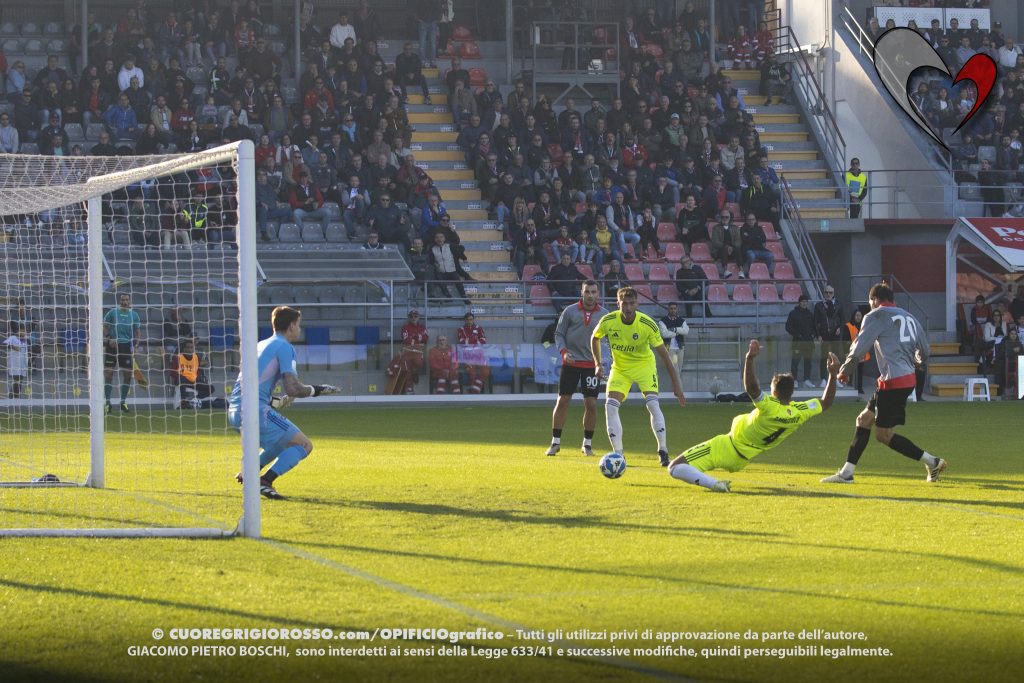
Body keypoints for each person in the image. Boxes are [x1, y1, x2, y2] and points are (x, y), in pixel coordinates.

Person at [668, 339, 838, 492]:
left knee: (675, 467)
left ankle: (714, 484)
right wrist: (832, 375)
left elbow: (752, 389)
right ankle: (711, 481)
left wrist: (749, 358)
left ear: (774, 392)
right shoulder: (799, 412)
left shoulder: (770, 406)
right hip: (742, 459)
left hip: (727, 446)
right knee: (688, 467)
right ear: (791, 392)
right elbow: (826, 402)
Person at [822, 282, 947, 484]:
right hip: (900, 379)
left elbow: (860, 346)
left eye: (870, 301)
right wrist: (914, 362)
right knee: (864, 420)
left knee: (883, 435)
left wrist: (845, 370)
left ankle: (933, 462)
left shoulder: (876, 315)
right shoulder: (910, 317)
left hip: (894, 381)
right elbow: (924, 351)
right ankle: (846, 473)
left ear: (874, 300)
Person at [228, 306, 340, 500]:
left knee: (282, 441)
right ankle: (265, 481)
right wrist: (317, 390)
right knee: (304, 445)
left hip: (235, 411)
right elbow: (292, 388)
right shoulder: (285, 347)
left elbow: (253, 383)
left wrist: (275, 402)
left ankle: (249, 472)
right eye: (298, 325)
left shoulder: (260, 344)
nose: (299, 329)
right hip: (255, 411)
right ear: (291, 326)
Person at [591, 287, 686, 466]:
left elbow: (665, 356)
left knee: (652, 404)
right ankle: (618, 454)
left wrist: (677, 384)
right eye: (624, 304)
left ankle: (663, 450)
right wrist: (597, 363)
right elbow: (595, 337)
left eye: (631, 303)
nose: (627, 307)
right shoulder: (608, 321)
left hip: (644, 366)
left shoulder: (647, 324)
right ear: (617, 304)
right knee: (610, 406)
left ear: (637, 304)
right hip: (620, 368)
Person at [546, 281, 607, 457]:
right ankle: (555, 442)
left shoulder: (605, 315)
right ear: (582, 293)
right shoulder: (570, 311)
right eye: (587, 291)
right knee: (563, 400)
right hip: (571, 364)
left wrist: (606, 360)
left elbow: (611, 338)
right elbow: (559, 334)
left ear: (598, 294)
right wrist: (564, 352)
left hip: (591, 365)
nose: (590, 295)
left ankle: (587, 445)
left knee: (591, 404)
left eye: (593, 292)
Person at [103, 293, 141, 414]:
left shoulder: (134, 315)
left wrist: (135, 345)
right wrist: (109, 338)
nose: (125, 302)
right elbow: (104, 326)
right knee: (108, 373)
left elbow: (137, 331)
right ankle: (107, 403)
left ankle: (123, 402)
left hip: (126, 346)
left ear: (129, 301)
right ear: (119, 301)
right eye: (123, 300)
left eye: (126, 300)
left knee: (128, 375)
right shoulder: (112, 312)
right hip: (112, 345)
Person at [385, 310, 429, 395]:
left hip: (418, 353)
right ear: (409, 318)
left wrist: (413, 339)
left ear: (419, 317)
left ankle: (392, 369)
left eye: (415, 316)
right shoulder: (405, 327)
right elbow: (406, 340)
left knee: (405, 360)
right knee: (406, 364)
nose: (413, 318)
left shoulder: (422, 327)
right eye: (411, 316)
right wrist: (418, 338)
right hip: (408, 351)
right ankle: (409, 388)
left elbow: (425, 339)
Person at [814, 285, 843, 388]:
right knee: (824, 357)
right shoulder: (819, 305)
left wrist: (839, 328)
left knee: (836, 357)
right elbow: (815, 322)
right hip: (824, 334)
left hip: (835, 335)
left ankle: (836, 378)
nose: (828, 294)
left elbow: (843, 319)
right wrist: (818, 335)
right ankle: (823, 378)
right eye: (826, 292)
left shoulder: (838, 304)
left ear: (833, 293)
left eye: (830, 293)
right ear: (824, 293)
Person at [786, 294, 816, 388]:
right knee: (795, 362)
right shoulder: (793, 313)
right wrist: (797, 335)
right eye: (803, 301)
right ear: (799, 302)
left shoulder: (810, 314)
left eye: (806, 302)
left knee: (808, 362)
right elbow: (788, 327)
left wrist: (813, 335)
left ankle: (806, 380)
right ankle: (794, 380)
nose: (804, 303)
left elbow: (814, 327)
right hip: (797, 342)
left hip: (809, 342)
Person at [174, 340, 214, 408]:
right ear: (184, 349)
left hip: (193, 381)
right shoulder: (178, 357)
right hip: (183, 380)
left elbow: (202, 365)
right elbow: (173, 372)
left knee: (211, 388)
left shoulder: (196, 357)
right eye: (188, 347)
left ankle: (193, 398)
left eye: (191, 347)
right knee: (181, 380)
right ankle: (183, 402)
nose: (190, 350)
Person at [457, 313, 489, 393]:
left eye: (471, 319)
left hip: (479, 354)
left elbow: (483, 341)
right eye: (467, 320)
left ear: (473, 320)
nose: (469, 321)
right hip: (468, 355)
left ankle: (474, 390)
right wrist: (475, 340)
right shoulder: (461, 329)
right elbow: (462, 342)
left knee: (486, 372)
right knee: (472, 373)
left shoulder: (479, 328)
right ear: (465, 320)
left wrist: (470, 340)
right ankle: (475, 394)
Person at [841, 309, 869, 394]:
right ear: (853, 316)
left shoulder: (864, 326)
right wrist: (846, 352)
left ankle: (859, 388)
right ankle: (849, 386)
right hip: (851, 352)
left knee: (860, 371)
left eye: (860, 316)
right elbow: (845, 340)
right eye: (857, 315)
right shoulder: (848, 326)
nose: (858, 317)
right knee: (850, 371)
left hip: (861, 352)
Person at [658, 303, 690, 377]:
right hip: (669, 348)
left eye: (674, 308)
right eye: (671, 308)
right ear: (668, 309)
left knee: (679, 369)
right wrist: (677, 333)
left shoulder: (681, 320)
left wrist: (675, 329)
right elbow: (664, 334)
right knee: (675, 370)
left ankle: (676, 383)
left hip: (680, 347)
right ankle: (678, 384)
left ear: (677, 309)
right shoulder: (663, 321)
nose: (673, 310)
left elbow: (686, 331)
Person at [3, 327, 28, 399]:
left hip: (22, 365)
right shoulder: (13, 338)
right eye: (21, 330)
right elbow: (4, 344)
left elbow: (26, 353)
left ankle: (15, 397)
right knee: (16, 380)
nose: (23, 332)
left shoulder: (26, 341)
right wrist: (14, 347)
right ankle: (12, 396)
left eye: (24, 331)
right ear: (18, 331)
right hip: (14, 364)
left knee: (20, 381)